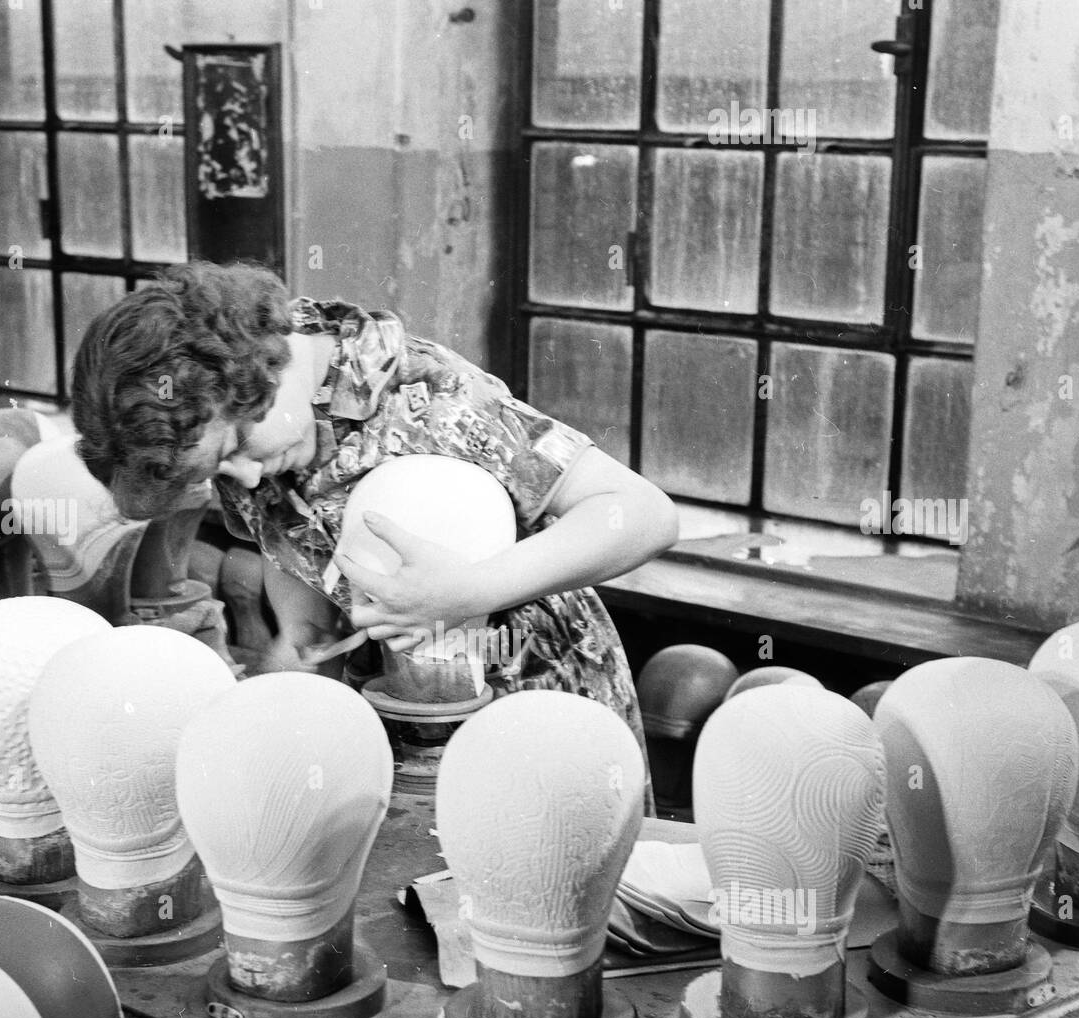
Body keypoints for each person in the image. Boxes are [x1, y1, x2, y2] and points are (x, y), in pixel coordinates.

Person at [71, 261, 680, 798]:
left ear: (252, 368)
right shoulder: (245, 435)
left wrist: (468, 592)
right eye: (219, 471)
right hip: (400, 727)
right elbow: (311, 627)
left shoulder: (427, 396)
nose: (247, 478)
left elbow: (643, 514)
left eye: (237, 447)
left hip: (543, 717)